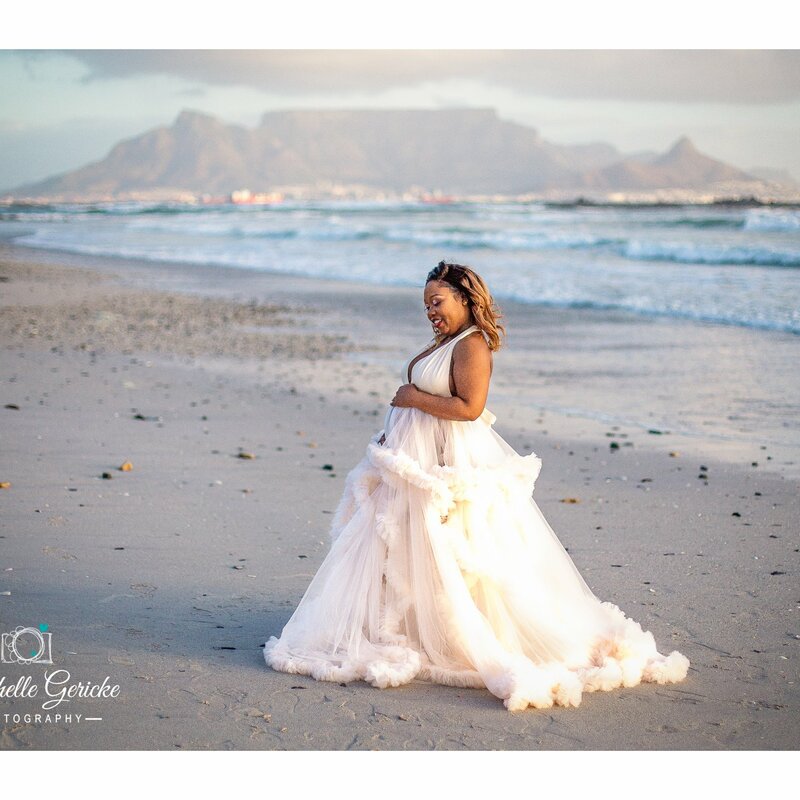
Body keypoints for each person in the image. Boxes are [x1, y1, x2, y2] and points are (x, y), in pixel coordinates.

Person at [263, 261, 689, 710]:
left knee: (460, 552)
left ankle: (464, 635)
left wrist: (412, 397)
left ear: (465, 298)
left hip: (450, 466)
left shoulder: (472, 345)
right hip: (416, 462)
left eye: (437, 302)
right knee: (411, 549)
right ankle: (418, 629)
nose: (431, 311)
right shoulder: (446, 343)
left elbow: (469, 407)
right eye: (426, 305)